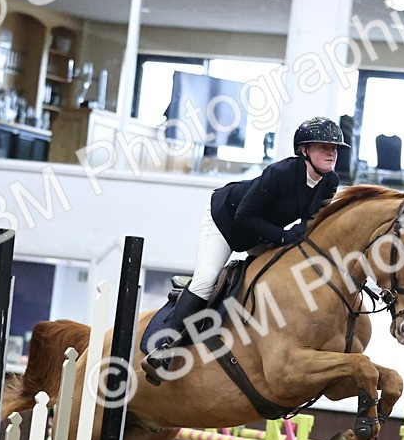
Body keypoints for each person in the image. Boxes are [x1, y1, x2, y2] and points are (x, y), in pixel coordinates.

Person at [141, 117, 350, 382]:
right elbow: (244, 215)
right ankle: (164, 347)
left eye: (334, 148)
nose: (331, 153)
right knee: (206, 278)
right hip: (226, 220)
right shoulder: (282, 173)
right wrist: (284, 236)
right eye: (323, 147)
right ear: (304, 150)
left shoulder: (330, 182)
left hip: (262, 229)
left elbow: (312, 220)